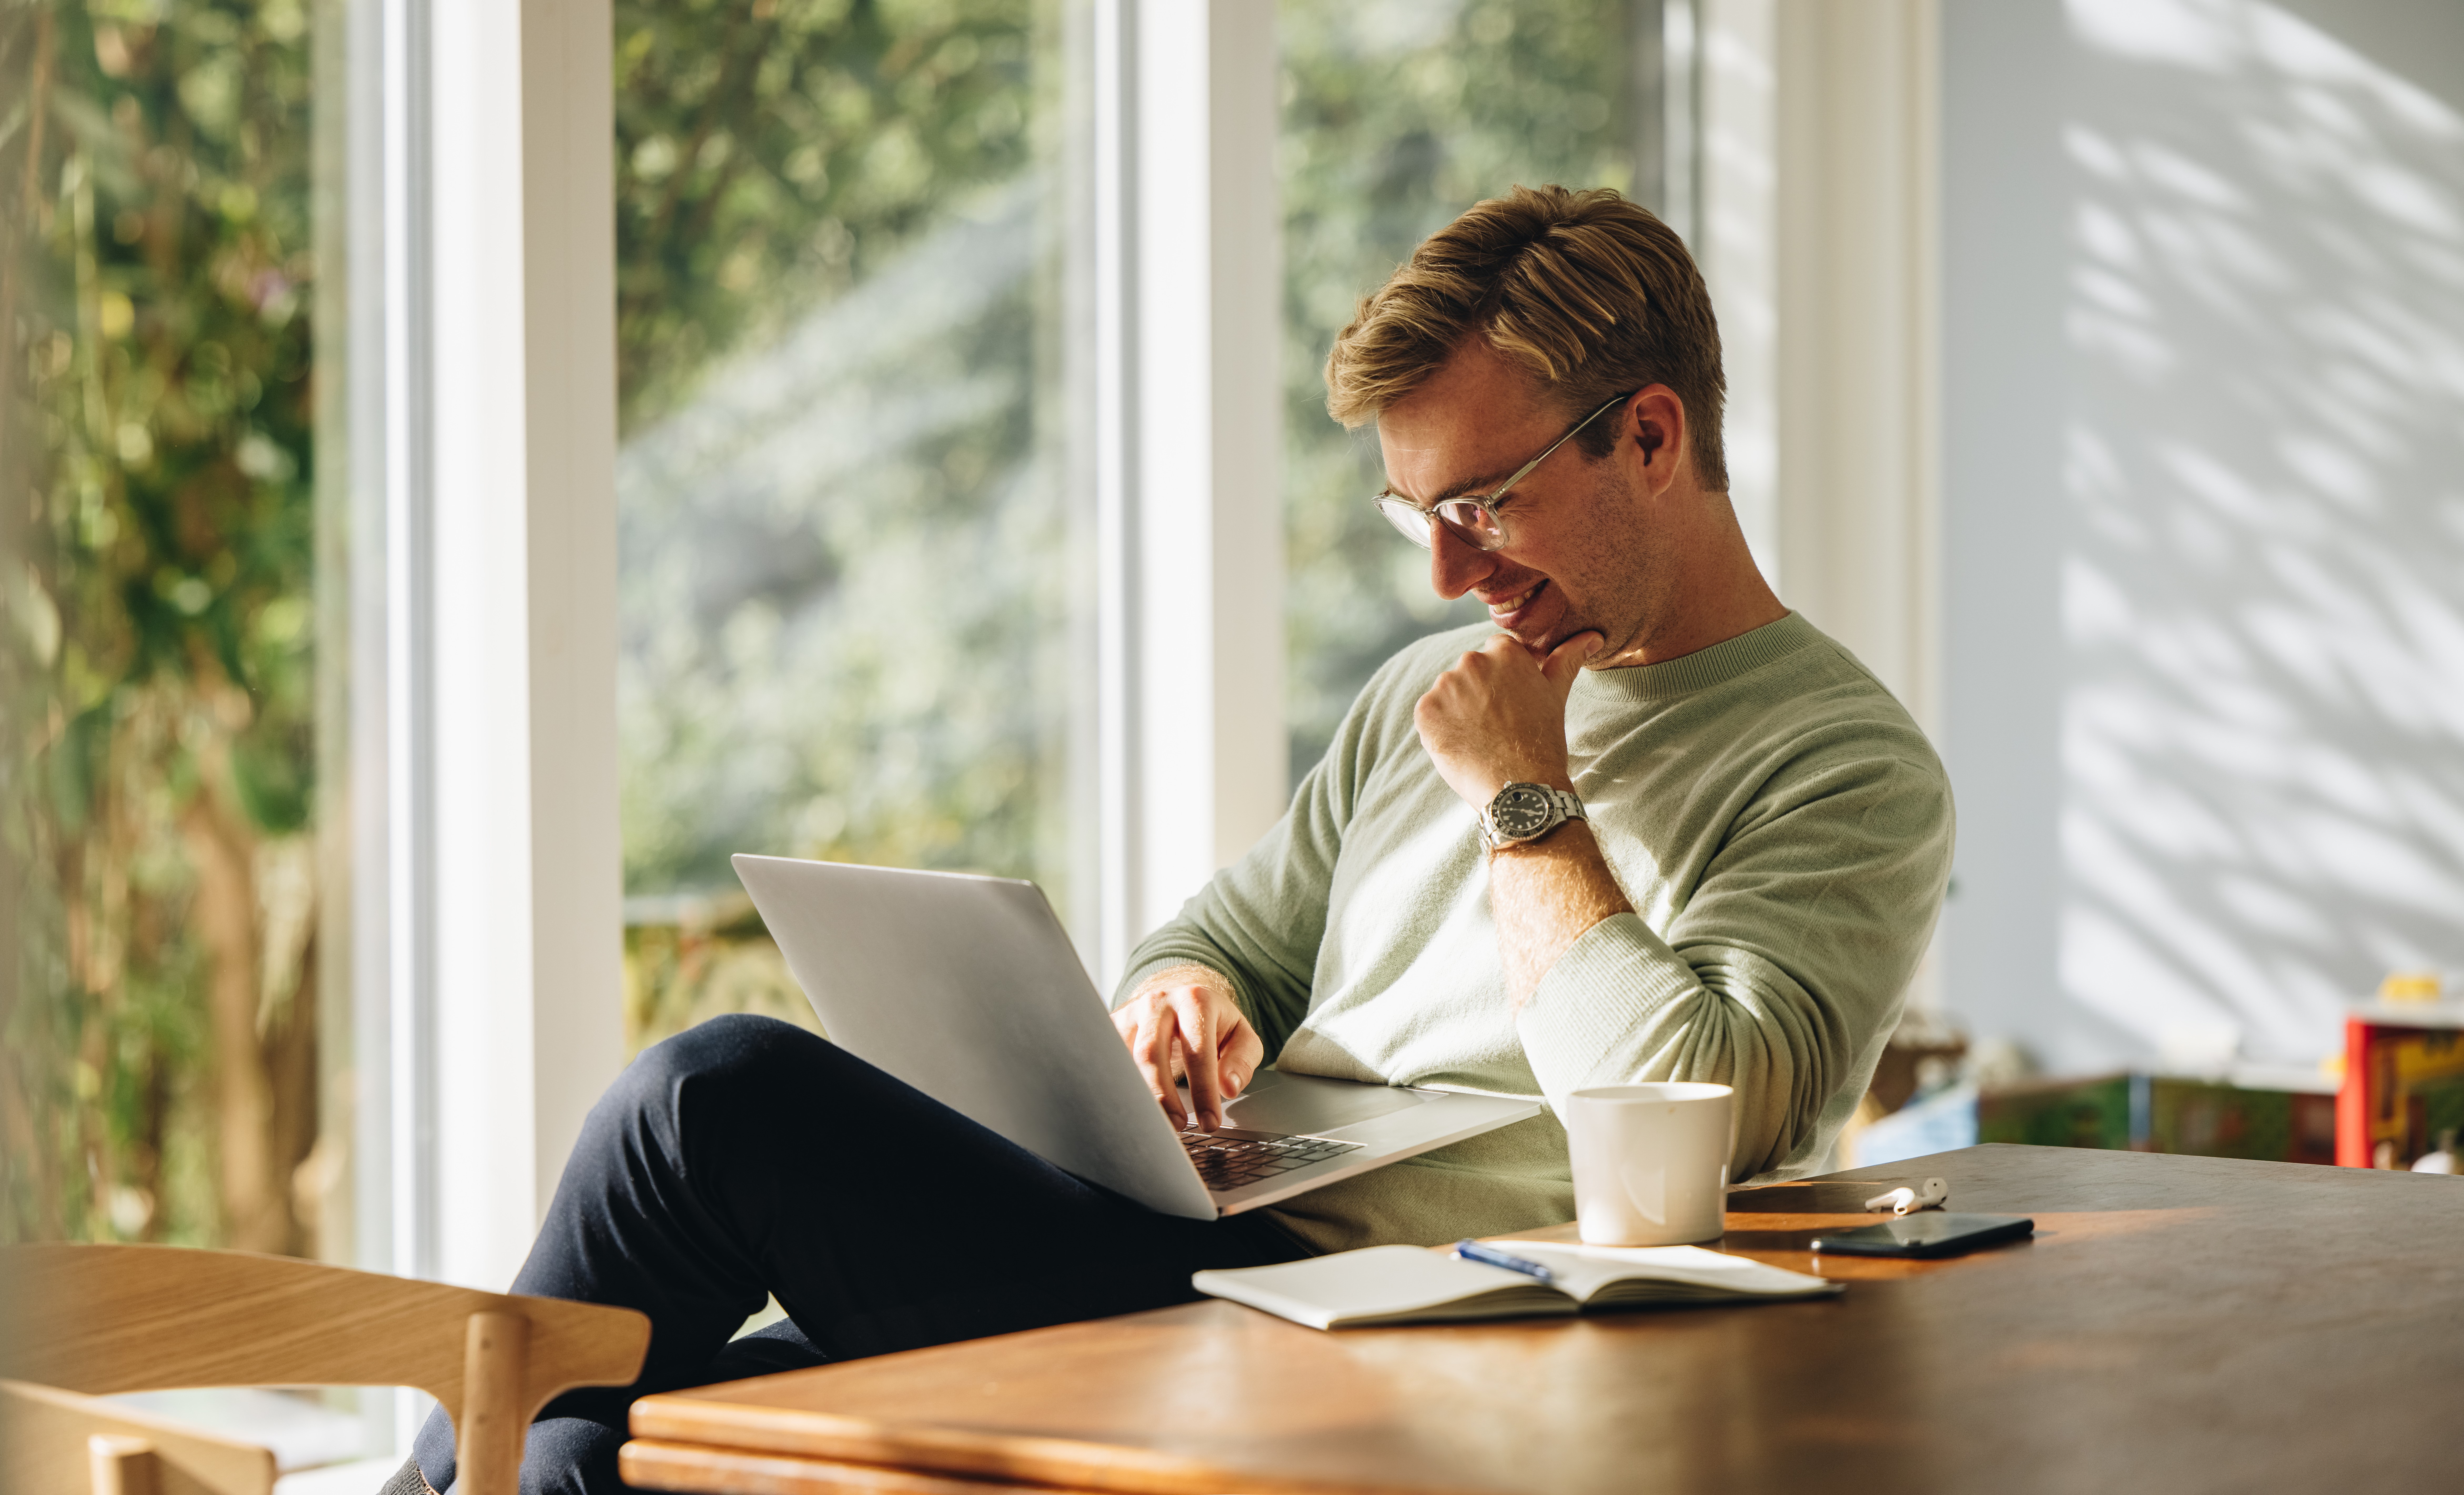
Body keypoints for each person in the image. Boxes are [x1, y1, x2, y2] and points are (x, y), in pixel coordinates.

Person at [387, 185, 1951, 1495]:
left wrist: (1523, 798)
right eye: (1417, 519)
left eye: (1483, 503)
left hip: (1392, 1323)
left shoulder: (1845, 766)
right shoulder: (1425, 692)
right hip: (1179, 1238)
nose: (1444, 578)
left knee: (709, 1094)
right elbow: (1223, 939)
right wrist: (1179, 998)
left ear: (1651, 436)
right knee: (590, 1446)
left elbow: (1711, 1113)